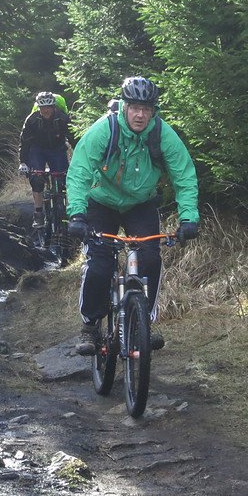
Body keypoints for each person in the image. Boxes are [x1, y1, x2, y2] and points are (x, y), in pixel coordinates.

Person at [65, 76, 199, 355]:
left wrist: (189, 218)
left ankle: (143, 323)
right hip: (101, 201)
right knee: (100, 265)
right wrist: (77, 214)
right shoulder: (105, 129)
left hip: (141, 204)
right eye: (135, 107)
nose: (140, 115)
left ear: (153, 111)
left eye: (146, 109)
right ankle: (90, 326)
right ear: (125, 107)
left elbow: (184, 175)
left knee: (150, 258)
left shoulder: (162, 134)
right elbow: (79, 171)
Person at [19, 91, 75, 229]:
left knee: (63, 179)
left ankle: (64, 208)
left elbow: (74, 139)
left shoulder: (63, 118)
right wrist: (23, 162)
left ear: (54, 107)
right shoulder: (32, 120)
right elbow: (25, 142)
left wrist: (79, 157)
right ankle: (38, 213)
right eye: (43, 107)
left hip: (57, 149)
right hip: (37, 150)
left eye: (48, 107)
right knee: (37, 179)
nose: (46, 110)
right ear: (38, 107)